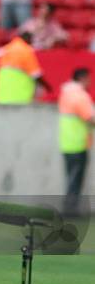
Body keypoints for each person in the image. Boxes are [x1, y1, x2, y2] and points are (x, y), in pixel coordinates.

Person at [58, 68, 94, 216]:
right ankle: (70, 211)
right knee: (75, 180)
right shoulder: (80, 96)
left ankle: (70, 208)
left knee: (71, 178)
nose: (91, 82)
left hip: (67, 143)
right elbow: (90, 118)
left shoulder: (66, 93)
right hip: (78, 144)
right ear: (82, 78)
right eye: (89, 78)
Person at [0, 31, 52, 104]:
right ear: (28, 39)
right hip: (20, 97)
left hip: (2, 96)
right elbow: (36, 75)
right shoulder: (25, 50)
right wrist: (48, 87)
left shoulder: (7, 48)